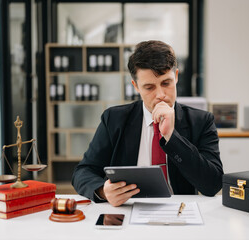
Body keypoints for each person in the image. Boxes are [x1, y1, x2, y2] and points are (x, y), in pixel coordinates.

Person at [72, 40, 223, 207]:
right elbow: (82, 172)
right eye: (149, 87)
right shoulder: (113, 119)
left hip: (179, 212)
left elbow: (213, 185)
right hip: (128, 209)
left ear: (176, 77)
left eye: (166, 83)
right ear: (136, 86)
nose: (160, 95)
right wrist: (103, 191)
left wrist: (172, 138)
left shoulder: (201, 121)